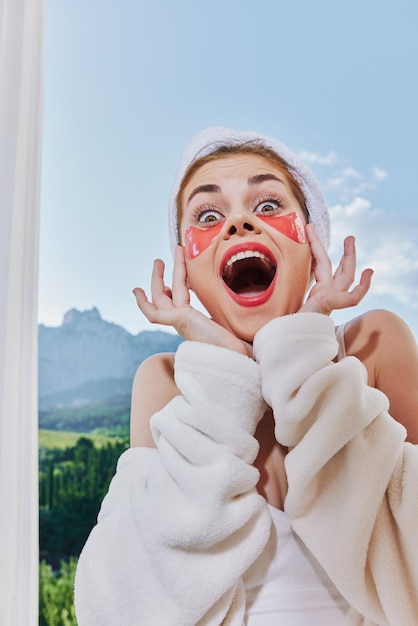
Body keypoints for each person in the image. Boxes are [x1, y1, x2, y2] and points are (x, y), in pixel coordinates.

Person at [74, 127, 418, 625]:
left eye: (269, 204)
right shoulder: (165, 383)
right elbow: (123, 608)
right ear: (187, 272)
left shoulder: (375, 346)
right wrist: (223, 371)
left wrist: (303, 354)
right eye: (208, 216)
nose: (238, 222)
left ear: (312, 243)